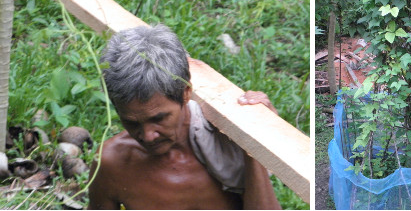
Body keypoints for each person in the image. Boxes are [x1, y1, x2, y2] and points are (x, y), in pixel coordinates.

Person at [88, 25, 282, 209]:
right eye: (131, 122)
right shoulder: (112, 164)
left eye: (159, 118)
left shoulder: (225, 147)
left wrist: (255, 143)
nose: (148, 136)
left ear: (185, 93)